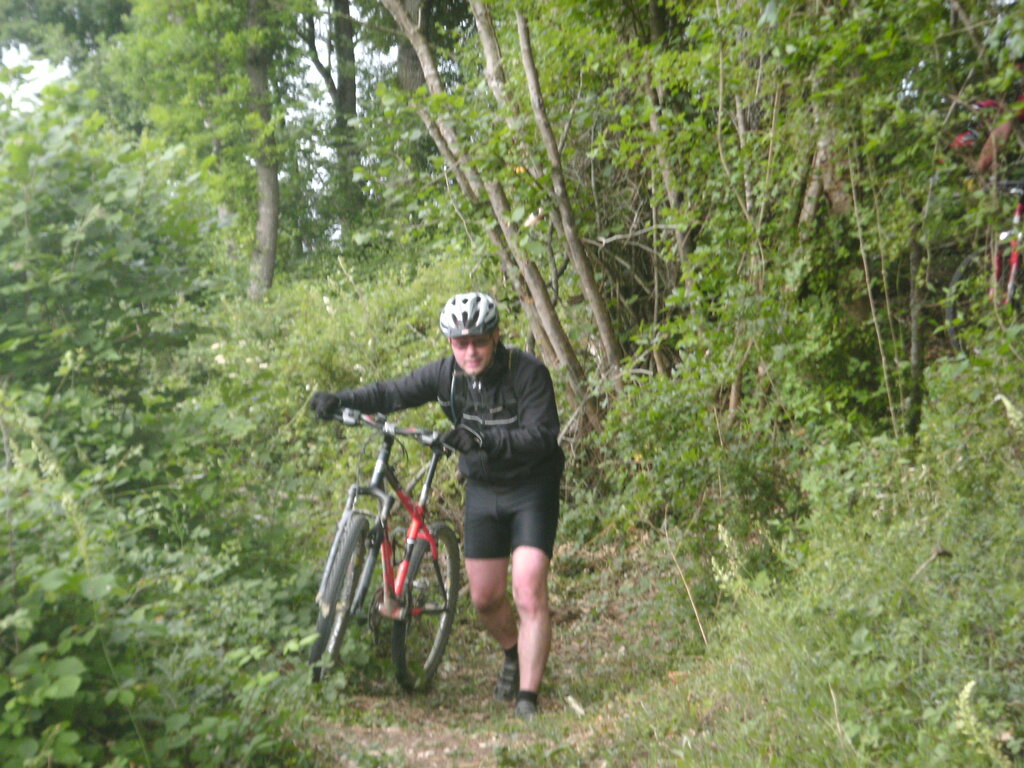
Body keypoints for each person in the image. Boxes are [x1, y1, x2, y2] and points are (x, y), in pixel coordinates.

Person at [309, 292, 564, 721]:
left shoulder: (527, 373)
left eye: (478, 341)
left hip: (531, 489)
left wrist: (484, 438)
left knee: (527, 588)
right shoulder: (447, 375)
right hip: (483, 488)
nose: (470, 351)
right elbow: (392, 392)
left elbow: (542, 436)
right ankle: (513, 653)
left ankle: (527, 699)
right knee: (485, 599)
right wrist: (342, 399)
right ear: (450, 343)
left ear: (496, 336)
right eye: (461, 343)